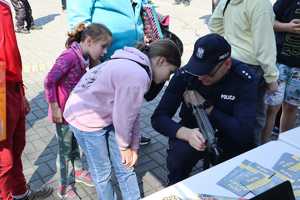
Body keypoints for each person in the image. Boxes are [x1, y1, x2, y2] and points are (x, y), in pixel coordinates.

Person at [63, 39, 181, 200]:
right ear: (161, 60)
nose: (167, 79)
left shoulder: (138, 67)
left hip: (105, 113)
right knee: (102, 172)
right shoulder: (137, 75)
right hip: (85, 119)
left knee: (126, 166)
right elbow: (123, 118)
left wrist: (133, 146)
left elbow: (132, 113)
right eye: (170, 72)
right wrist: (125, 146)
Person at [151, 34, 258, 185]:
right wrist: (186, 134)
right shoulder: (187, 75)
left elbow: (244, 132)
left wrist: (207, 107)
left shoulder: (243, 80)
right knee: (178, 158)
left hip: (228, 136)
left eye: (208, 72)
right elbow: (158, 118)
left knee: (239, 171)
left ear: (227, 64)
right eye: (198, 69)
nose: (200, 76)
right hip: (193, 132)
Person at [67, 0, 154, 145]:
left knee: (129, 99)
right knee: (105, 101)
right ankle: (108, 139)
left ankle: (127, 134)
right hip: (105, 55)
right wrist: (94, 57)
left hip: (132, 53)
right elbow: (79, 18)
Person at [44, 23, 112, 199]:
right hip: (62, 113)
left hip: (74, 112)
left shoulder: (84, 56)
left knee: (74, 144)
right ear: (89, 41)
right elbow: (49, 81)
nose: (105, 52)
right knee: (65, 149)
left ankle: (79, 171)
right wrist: (55, 107)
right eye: (103, 47)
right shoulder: (69, 57)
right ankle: (65, 186)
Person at [0, 1, 53, 199]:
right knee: (3, 160)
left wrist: (21, 92)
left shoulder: (4, 7)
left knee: (17, 145)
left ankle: (21, 192)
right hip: (0, 94)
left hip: (12, 89)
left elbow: (11, 53)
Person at [208, 0, 279, 145]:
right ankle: (249, 156)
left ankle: (225, 152)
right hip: (251, 68)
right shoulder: (260, 4)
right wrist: (271, 78)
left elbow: (214, 25)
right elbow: (264, 45)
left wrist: (232, 44)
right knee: (253, 118)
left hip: (229, 63)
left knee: (229, 111)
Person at [261, 0, 300, 143]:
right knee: (272, 107)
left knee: (291, 107)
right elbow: (268, 21)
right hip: (279, 63)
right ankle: (262, 145)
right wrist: (287, 27)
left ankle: (284, 144)